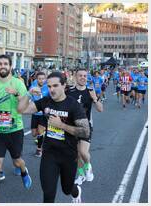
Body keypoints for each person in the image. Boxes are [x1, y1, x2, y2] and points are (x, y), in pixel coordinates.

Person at [17, 71, 90, 203]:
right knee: (48, 193)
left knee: (67, 189)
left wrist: (61, 125)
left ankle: (76, 191)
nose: (52, 89)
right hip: (49, 154)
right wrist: (28, 94)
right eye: (49, 86)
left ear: (64, 86)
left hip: (68, 155)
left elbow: (85, 132)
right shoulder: (46, 102)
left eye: (55, 86)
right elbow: (21, 110)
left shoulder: (73, 105)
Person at [0, 54, 32, 203]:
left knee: (17, 161)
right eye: (0, 64)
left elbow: (24, 106)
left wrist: (17, 94)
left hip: (15, 130)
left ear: (10, 66)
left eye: (5, 63)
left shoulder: (18, 83)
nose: (3, 66)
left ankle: (24, 171)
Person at [67, 68, 103, 185]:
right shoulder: (69, 91)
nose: (83, 78)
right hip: (71, 126)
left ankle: (88, 166)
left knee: (83, 151)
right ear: (75, 77)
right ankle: (81, 174)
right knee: (76, 155)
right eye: (80, 75)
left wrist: (95, 98)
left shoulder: (90, 91)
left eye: (85, 76)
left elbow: (100, 109)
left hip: (86, 125)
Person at [29, 71, 50, 157]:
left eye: (42, 79)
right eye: (39, 79)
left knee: (40, 130)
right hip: (35, 113)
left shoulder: (47, 87)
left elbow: (52, 98)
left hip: (43, 114)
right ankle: (43, 134)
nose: (41, 80)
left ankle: (39, 150)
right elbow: (29, 96)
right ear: (36, 79)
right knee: (34, 133)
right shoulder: (33, 86)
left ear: (45, 79)